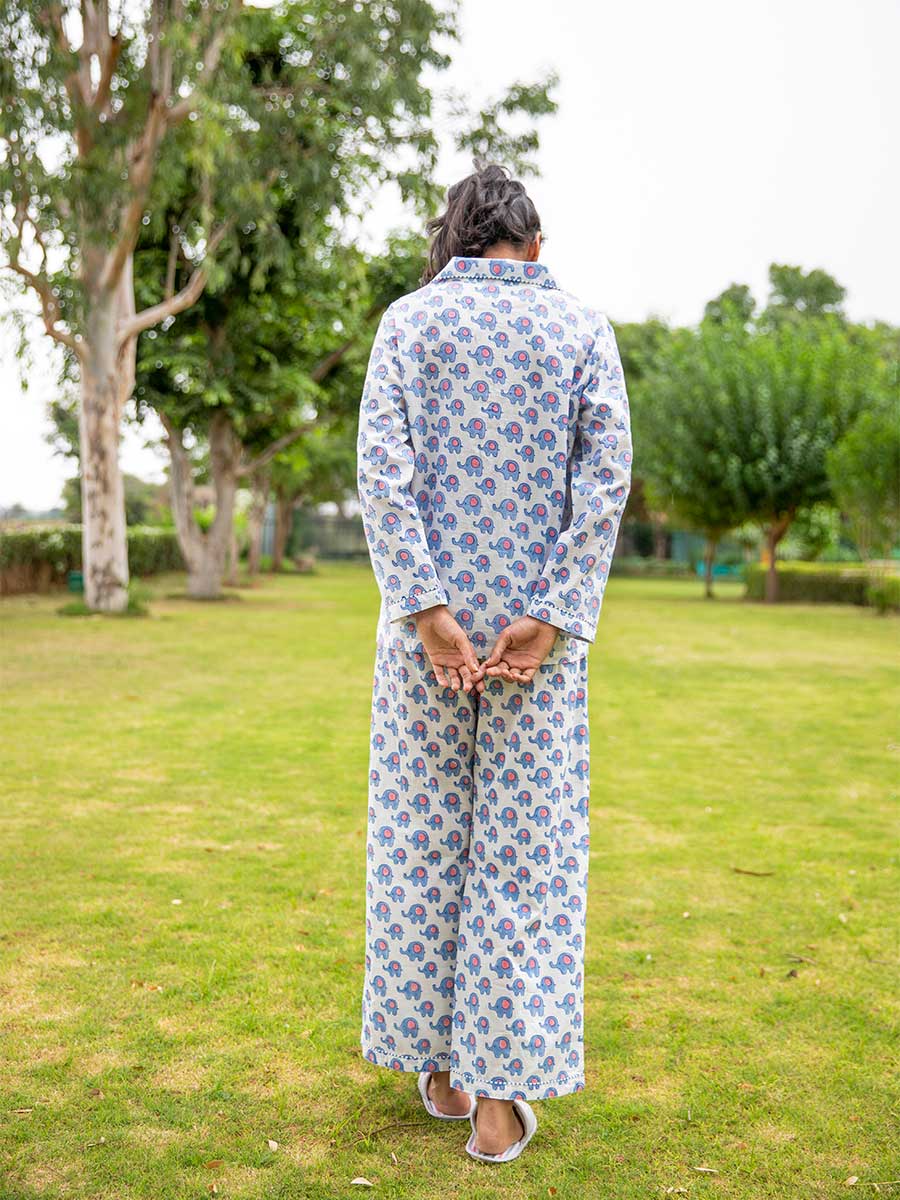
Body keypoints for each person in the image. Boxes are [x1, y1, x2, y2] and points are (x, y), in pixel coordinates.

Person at [356, 163, 633, 1163]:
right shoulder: (582, 332)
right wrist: (550, 618)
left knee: (420, 844)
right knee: (523, 859)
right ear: (535, 244)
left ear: (455, 241)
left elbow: (383, 478)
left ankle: (440, 1068)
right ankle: (496, 1107)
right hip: (533, 652)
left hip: (425, 644)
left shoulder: (406, 325)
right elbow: (604, 483)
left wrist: (429, 614)